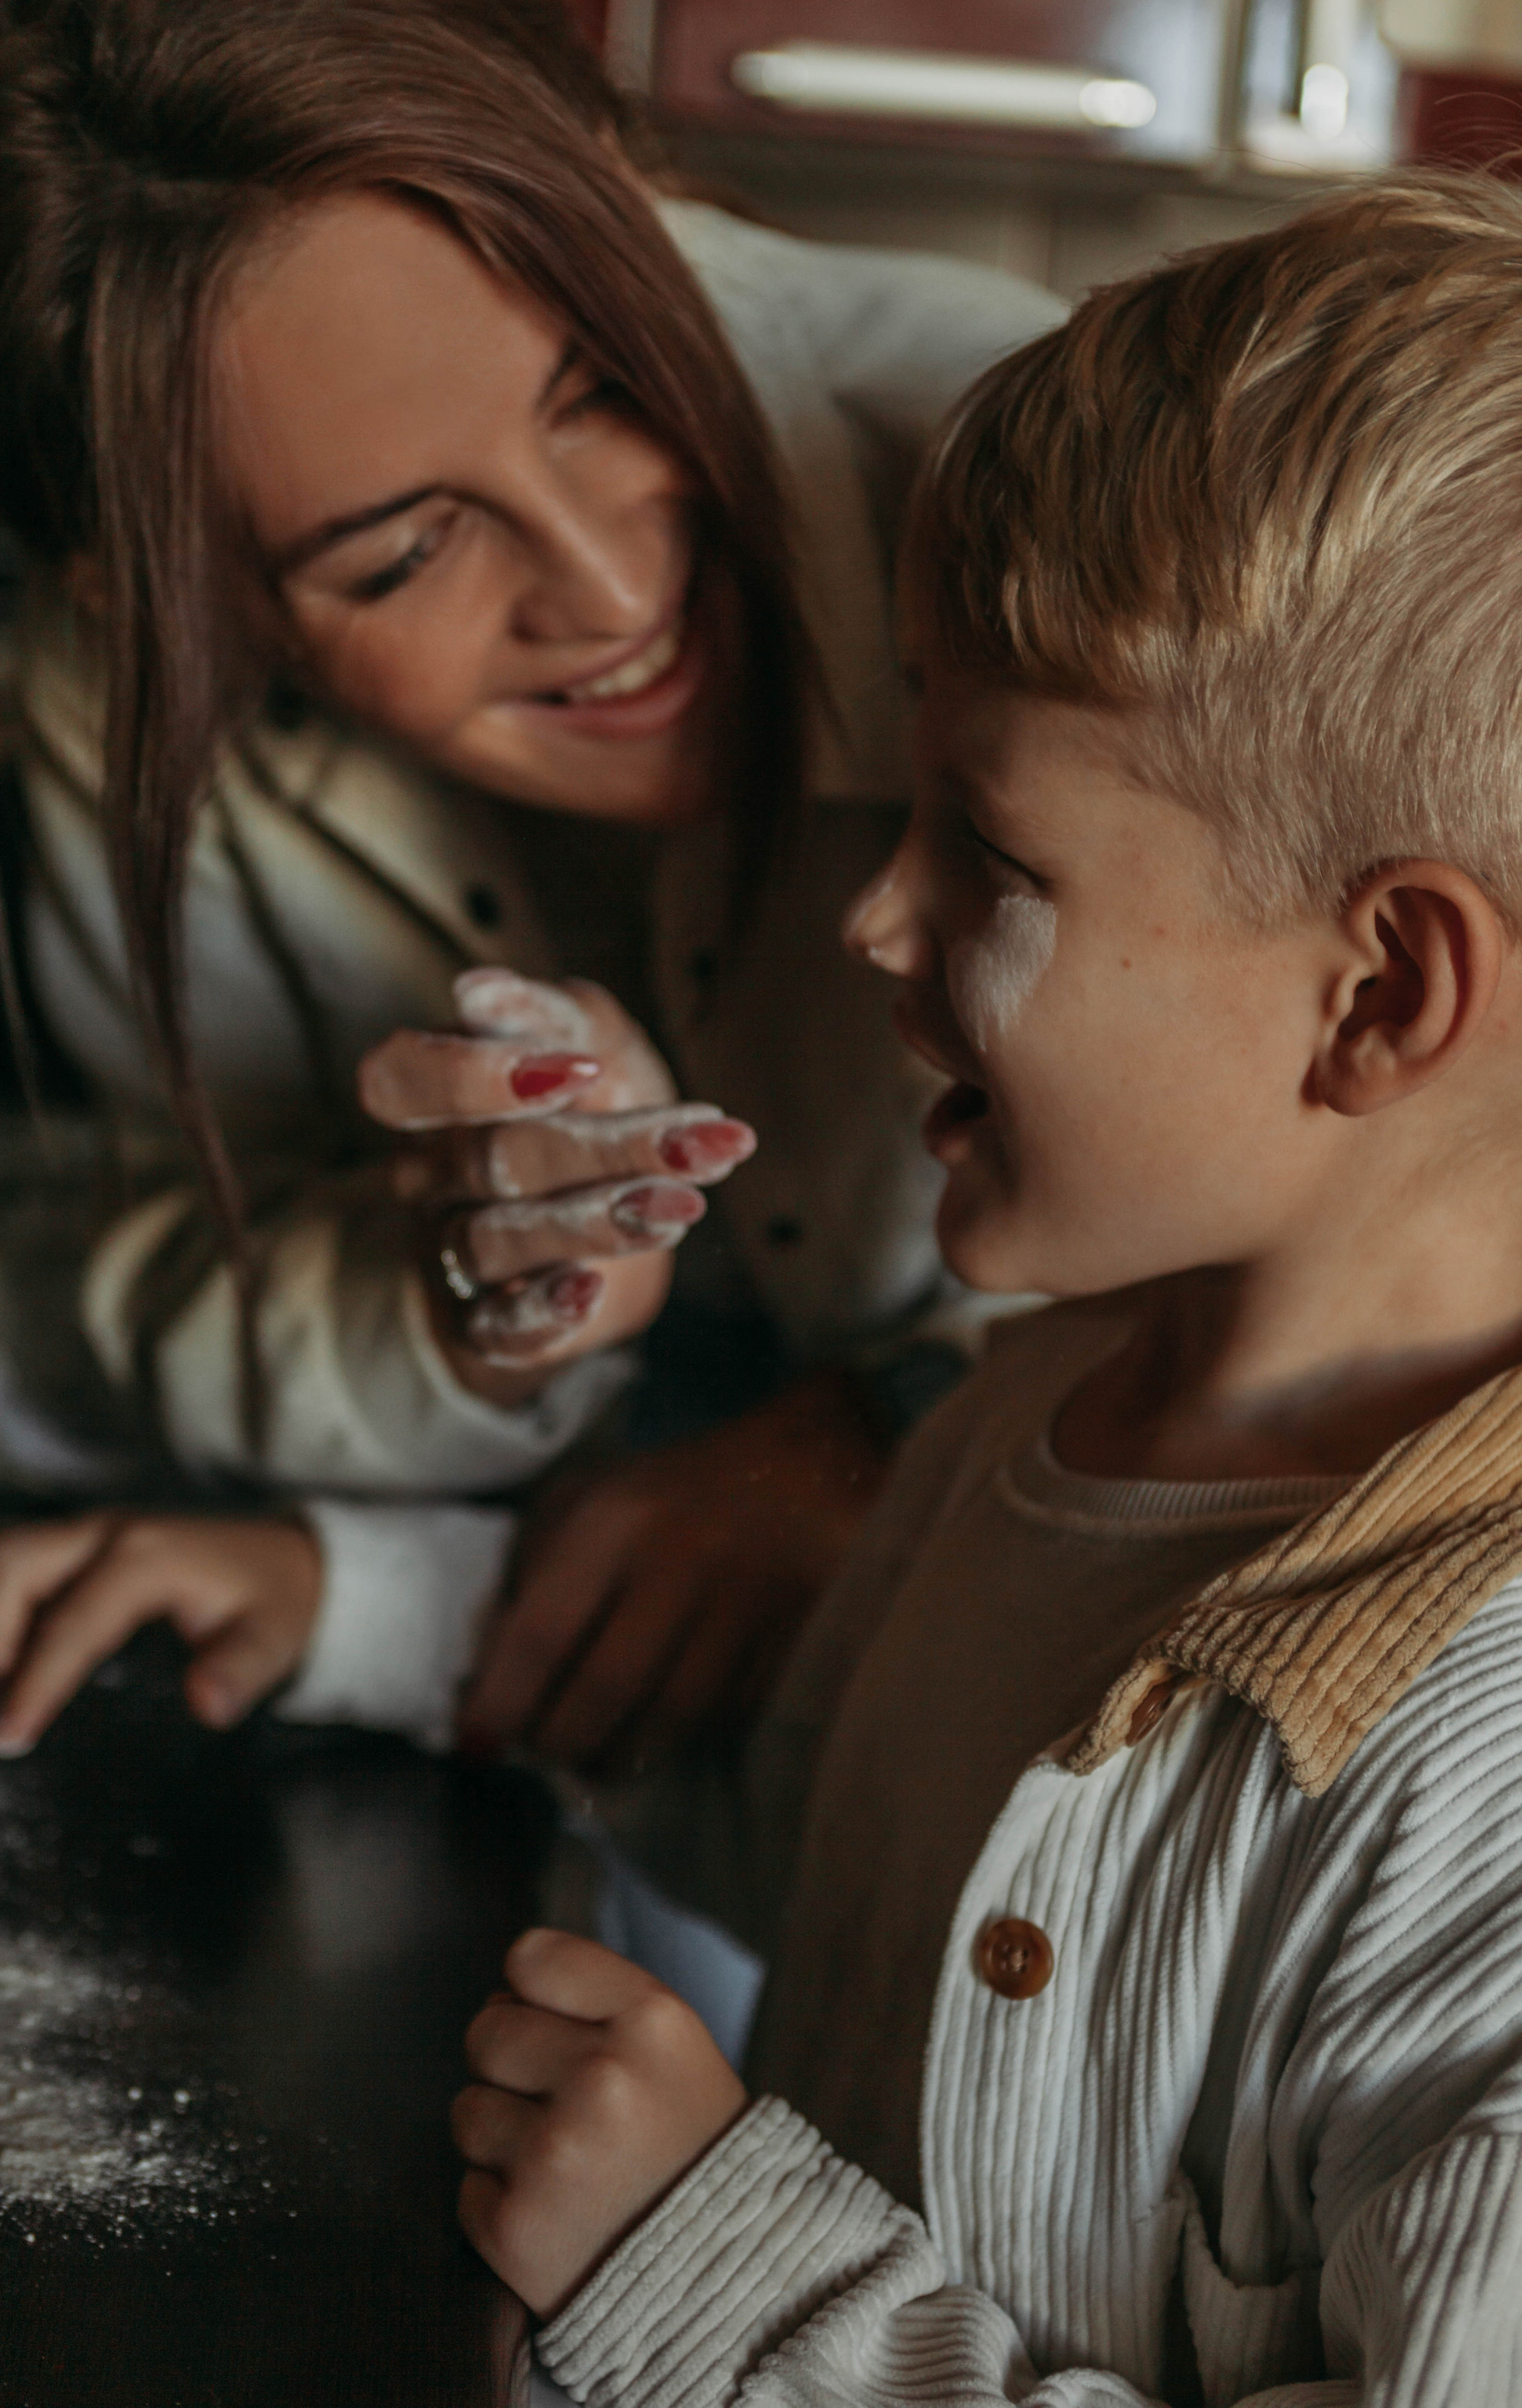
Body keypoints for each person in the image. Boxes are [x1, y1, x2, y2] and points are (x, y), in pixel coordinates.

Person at [452, 171, 1522, 2404]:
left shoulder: (1485, 1775)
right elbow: (834, 1823)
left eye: (993, 852)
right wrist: (352, 1609)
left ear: (1381, 994)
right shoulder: (1020, 1424)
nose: (873, 920)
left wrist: (719, 2276)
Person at [0, 0, 1061, 1769]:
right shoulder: (138, 727)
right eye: (402, 556)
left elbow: (1430, 1221)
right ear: (157, 608)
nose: (607, 582)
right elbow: (202, 1274)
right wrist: (463, 1311)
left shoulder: (1065, 490)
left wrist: (884, 1439)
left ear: (611, 171)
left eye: (607, 377)